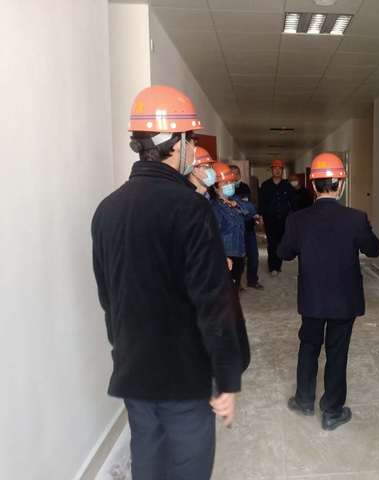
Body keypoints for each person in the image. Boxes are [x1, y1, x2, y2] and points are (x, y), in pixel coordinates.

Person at [91, 85, 246, 480]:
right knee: (188, 466)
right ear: (174, 143)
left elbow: (108, 298)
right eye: (190, 139)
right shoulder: (190, 209)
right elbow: (213, 302)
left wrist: (124, 351)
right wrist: (227, 375)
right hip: (183, 376)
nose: (193, 148)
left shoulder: (107, 210)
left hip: (134, 370)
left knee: (148, 460)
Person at [278, 153, 379, 431]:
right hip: (344, 300)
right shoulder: (356, 218)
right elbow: (374, 249)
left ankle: (304, 400)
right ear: (341, 185)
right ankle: (332, 411)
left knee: (308, 346)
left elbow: (284, 253)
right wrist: (365, 230)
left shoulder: (297, 219)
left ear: (313, 185)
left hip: (312, 298)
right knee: (337, 352)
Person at [210, 163, 258, 291]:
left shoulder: (235, 199)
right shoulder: (214, 207)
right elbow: (213, 235)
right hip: (227, 255)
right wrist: (222, 256)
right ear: (215, 187)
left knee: (234, 288)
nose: (229, 185)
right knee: (227, 291)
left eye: (230, 182)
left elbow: (252, 210)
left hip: (239, 252)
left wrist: (236, 204)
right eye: (225, 183)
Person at [260, 159, 295, 277]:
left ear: (282, 170)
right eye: (275, 168)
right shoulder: (265, 185)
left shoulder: (287, 185)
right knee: (271, 243)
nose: (277, 170)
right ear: (271, 170)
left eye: (279, 168)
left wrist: (293, 217)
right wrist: (260, 217)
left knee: (280, 243)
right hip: (269, 220)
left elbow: (293, 202)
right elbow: (262, 202)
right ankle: (272, 267)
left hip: (283, 220)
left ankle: (278, 265)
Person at [230, 165, 263, 290]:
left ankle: (252, 280)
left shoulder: (245, 187)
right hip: (235, 231)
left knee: (253, 256)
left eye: (237, 173)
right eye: (232, 173)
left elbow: (249, 206)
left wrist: (255, 215)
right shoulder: (226, 189)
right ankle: (237, 283)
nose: (235, 176)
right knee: (238, 258)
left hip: (248, 228)